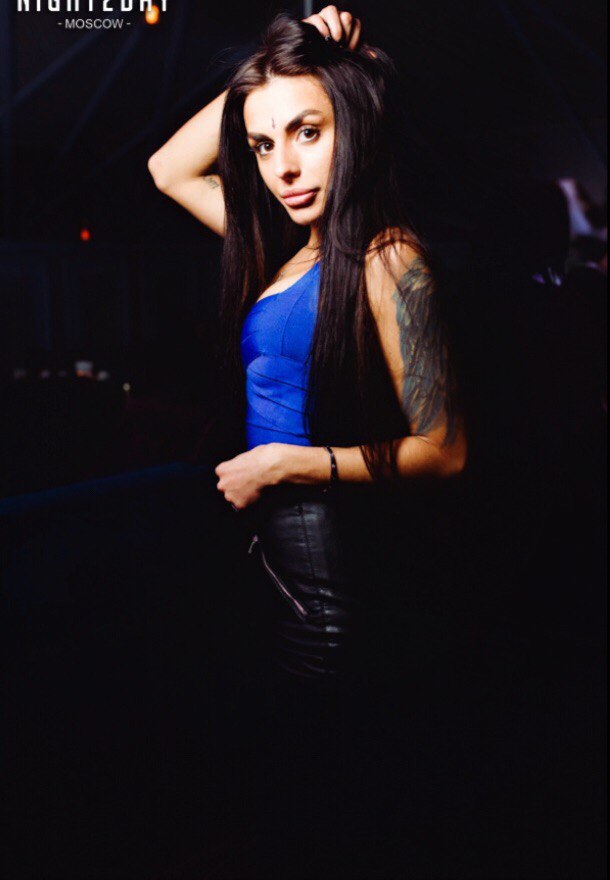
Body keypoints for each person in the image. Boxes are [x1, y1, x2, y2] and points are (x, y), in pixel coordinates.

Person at [148, 5, 466, 683]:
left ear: (356, 125)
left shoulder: (388, 258)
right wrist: (278, 65)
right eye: (263, 145)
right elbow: (167, 169)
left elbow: (444, 451)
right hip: (274, 553)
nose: (283, 167)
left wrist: (282, 465)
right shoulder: (283, 251)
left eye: (308, 132)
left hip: (332, 571)